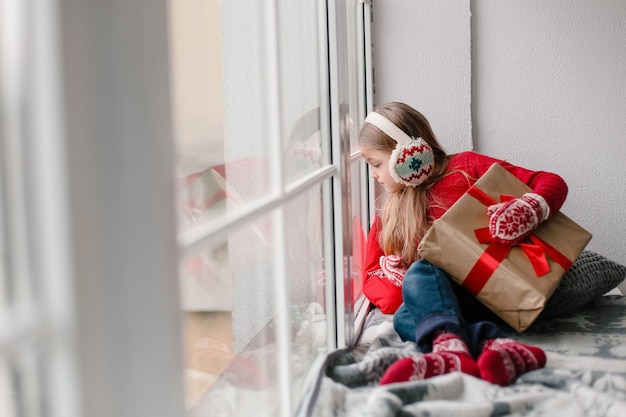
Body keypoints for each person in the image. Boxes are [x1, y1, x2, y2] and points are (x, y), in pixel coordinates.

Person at [360, 102, 568, 386]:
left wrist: (529, 209)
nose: (372, 174)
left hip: (497, 287)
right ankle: (491, 347)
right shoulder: (389, 215)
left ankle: (451, 349)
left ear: (406, 154)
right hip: (454, 306)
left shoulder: (466, 168)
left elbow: (550, 181)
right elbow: (372, 280)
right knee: (404, 316)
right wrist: (393, 278)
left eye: (375, 164)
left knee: (423, 271)